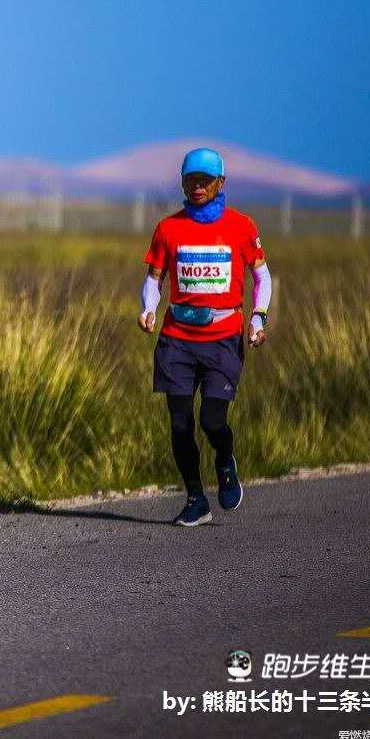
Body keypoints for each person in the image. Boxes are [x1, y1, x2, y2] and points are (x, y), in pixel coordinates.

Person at [139, 147, 272, 526]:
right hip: (177, 339)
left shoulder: (241, 226)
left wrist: (258, 318)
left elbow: (262, 277)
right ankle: (196, 498)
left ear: (220, 183)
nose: (196, 187)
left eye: (204, 180)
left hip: (223, 338)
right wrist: (149, 308)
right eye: (190, 180)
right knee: (180, 424)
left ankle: (225, 461)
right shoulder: (168, 229)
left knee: (213, 421)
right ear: (182, 182)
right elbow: (153, 279)